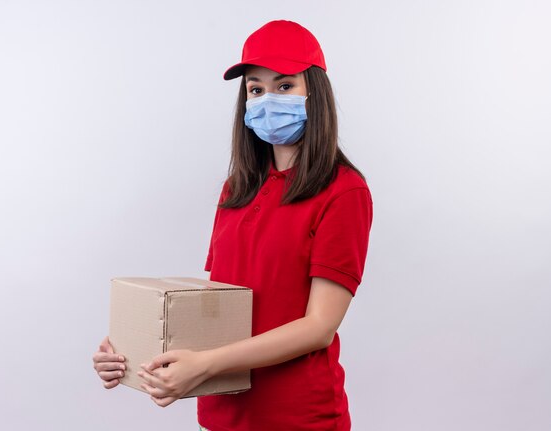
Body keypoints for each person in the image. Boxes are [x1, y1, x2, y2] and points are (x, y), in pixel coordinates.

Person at [92, 20, 373, 431]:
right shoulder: (237, 189)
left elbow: (319, 327)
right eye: (256, 89)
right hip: (223, 411)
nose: (267, 99)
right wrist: (132, 350)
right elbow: (219, 307)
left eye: (284, 86)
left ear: (315, 94)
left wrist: (203, 363)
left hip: (298, 417)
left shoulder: (343, 191)